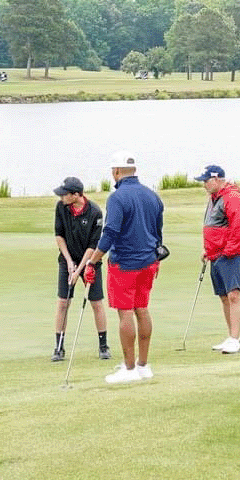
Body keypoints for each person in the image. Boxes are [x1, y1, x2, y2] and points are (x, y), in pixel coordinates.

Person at [79, 151, 165, 385]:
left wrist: (93, 260)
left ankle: (128, 369)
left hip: (124, 264)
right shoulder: (152, 196)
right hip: (148, 262)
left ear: (116, 172)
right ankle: (143, 366)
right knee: (142, 309)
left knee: (125, 313)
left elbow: (110, 233)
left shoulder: (117, 198)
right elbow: (158, 232)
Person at [51, 176, 110, 361]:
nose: (61, 197)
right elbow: (59, 236)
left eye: (65, 194)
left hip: (91, 261)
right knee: (63, 302)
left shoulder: (95, 212)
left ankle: (103, 345)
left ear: (76, 195)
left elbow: (93, 247)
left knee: (96, 302)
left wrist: (79, 271)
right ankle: (59, 348)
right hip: (67, 259)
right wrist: (69, 263)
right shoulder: (61, 207)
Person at [196, 164, 240, 354]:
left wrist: (228, 251)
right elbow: (214, 226)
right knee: (224, 297)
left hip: (231, 253)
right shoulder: (214, 198)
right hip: (216, 253)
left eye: (206, 180)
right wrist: (208, 250)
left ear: (217, 179)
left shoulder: (232, 197)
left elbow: (238, 228)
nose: (204, 184)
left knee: (234, 295)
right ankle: (232, 337)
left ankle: (235, 339)